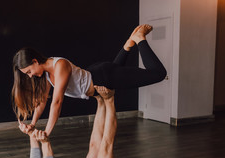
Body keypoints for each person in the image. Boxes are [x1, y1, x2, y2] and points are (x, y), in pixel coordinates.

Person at [12, 24, 167, 137]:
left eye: (29, 71)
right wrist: (32, 124)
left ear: (35, 61)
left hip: (102, 77)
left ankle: (139, 39)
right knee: (115, 70)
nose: (30, 76)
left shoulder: (59, 65)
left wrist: (47, 132)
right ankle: (127, 45)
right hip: (98, 74)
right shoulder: (45, 74)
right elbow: (42, 101)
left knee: (158, 73)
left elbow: (57, 102)